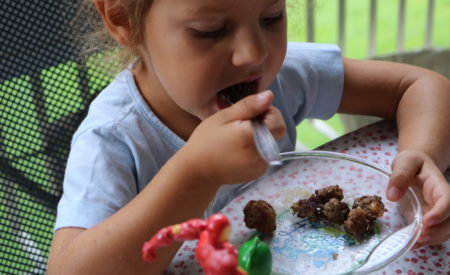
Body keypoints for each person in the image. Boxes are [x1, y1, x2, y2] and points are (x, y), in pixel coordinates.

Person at [48, 0, 450, 274]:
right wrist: (196, 173)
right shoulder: (113, 138)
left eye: (271, 16)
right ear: (123, 18)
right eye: (210, 29)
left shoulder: (284, 75)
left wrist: (419, 154)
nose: (253, 53)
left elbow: (419, 86)